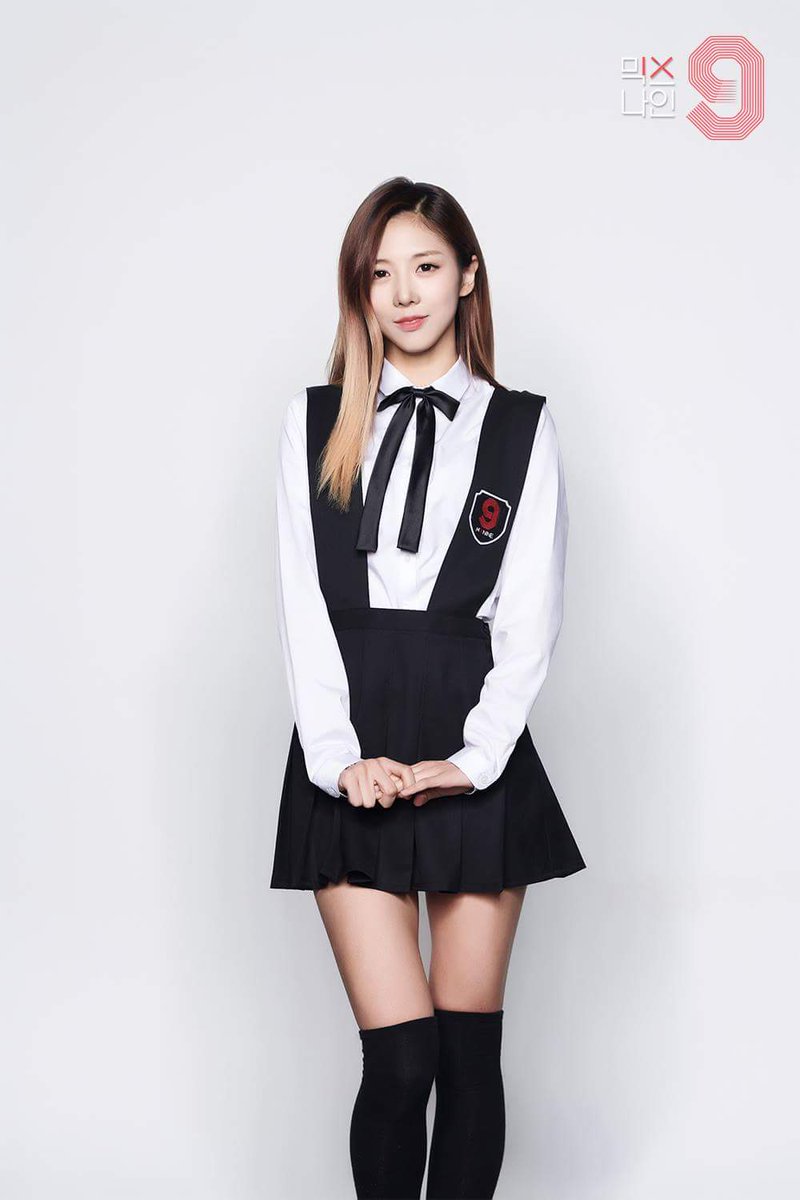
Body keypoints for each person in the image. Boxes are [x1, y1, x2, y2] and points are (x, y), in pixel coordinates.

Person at [270, 176, 586, 1199]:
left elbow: (528, 619)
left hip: (470, 746)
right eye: (379, 274)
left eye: (425, 267)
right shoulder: (316, 421)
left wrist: (472, 760)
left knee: (464, 1059)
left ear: (466, 277)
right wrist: (335, 760)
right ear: (358, 291)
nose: (403, 294)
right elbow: (303, 608)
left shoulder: (520, 428)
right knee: (400, 1061)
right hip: (351, 746)